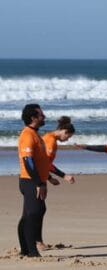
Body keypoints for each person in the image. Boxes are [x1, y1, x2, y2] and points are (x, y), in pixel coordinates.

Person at [17, 104, 51, 257]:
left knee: (33, 213)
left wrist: (48, 178)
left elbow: (40, 161)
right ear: (33, 118)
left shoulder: (35, 134)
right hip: (30, 180)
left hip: (35, 180)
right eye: (41, 115)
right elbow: (28, 161)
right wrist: (39, 183)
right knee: (33, 213)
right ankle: (31, 251)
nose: (44, 117)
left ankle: (25, 249)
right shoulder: (27, 135)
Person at [39, 116, 76, 250]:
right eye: (68, 137)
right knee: (36, 210)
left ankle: (35, 241)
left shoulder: (49, 137)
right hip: (37, 179)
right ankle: (37, 242)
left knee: (37, 210)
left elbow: (43, 163)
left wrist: (49, 178)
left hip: (40, 177)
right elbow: (46, 163)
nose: (67, 140)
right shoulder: (51, 141)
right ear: (64, 131)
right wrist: (64, 175)